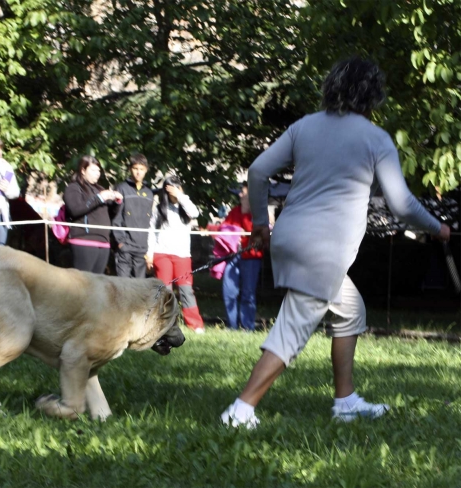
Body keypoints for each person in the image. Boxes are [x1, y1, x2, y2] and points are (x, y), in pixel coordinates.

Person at [221, 57, 451, 428]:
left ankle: (345, 402)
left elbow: (258, 171)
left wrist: (261, 223)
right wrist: (438, 228)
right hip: (324, 250)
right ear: (372, 94)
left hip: (290, 238)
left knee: (350, 311)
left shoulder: (304, 126)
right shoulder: (376, 138)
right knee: (293, 328)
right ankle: (241, 410)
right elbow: (403, 204)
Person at [146, 175, 205, 333]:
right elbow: (152, 232)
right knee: (166, 291)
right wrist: (149, 253)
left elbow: (195, 213)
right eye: (171, 187)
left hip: (182, 255)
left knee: (186, 290)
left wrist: (179, 196)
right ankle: (166, 324)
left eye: (177, 187)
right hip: (162, 254)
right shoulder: (159, 209)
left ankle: (195, 325)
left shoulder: (186, 206)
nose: (175, 190)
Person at [64, 155, 123, 274]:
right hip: (83, 241)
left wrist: (117, 203)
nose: (97, 173)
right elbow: (75, 209)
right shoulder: (73, 188)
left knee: (97, 284)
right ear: (83, 170)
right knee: (83, 284)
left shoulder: (100, 189)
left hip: (104, 242)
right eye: (93, 170)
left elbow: (110, 215)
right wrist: (100, 198)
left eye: (99, 170)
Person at [219, 182, 264, 331]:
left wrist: (246, 213)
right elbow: (225, 228)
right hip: (233, 257)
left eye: (243, 192)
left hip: (251, 257)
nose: (239, 195)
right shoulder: (234, 211)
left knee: (248, 293)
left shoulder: (257, 214)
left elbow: (258, 233)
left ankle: (247, 327)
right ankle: (232, 325)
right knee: (229, 290)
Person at [112, 153, 155, 278]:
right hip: (125, 247)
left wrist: (148, 247)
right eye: (135, 169)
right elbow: (116, 217)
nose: (138, 172)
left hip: (142, 248)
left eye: (141, 169)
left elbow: (150, 220)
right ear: (130, 169)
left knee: (139, 287)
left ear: (146, 170)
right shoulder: (121, 188)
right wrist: (120, 243)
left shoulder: (149, 193)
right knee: (123, 286)